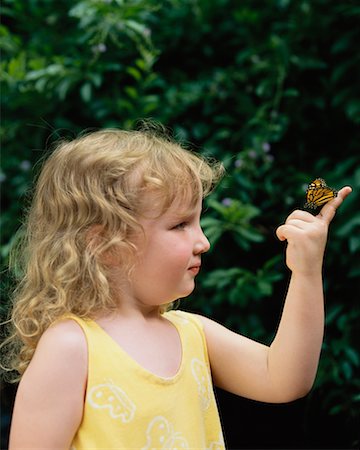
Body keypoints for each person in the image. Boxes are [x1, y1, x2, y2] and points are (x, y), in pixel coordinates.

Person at [4, 126, 352, 449]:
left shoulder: (192, 333)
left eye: (198, 221)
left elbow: (285, 379)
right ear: (107, 244)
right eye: (180, 224)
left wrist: (306, 271)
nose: (203, 241)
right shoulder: (71, 347)